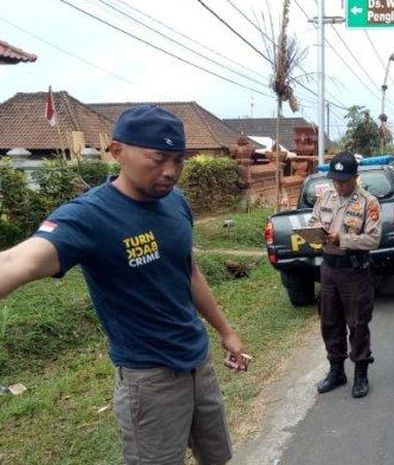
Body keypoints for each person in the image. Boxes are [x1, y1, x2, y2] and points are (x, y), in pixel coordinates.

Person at [0, 105, 248, 465]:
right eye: (159, 158)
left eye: (178, 160)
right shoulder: (89, 216)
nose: (171, 171)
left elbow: (189, 272)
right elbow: (17, 260)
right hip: (149, 381)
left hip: (198, 362)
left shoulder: (175, 202)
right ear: (117, 151)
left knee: (217, 458)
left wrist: (226, 331)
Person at [308, 152, 382, 398]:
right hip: (329, 269)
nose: (339, 186)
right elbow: (313, 221)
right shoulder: (326, 197)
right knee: (329, 322)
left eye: (344, 181)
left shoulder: (368, 202)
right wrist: (314, 233)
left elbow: (373, 238)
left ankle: (361, 372)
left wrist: (344, 239)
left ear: (355, 178)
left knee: (358, 324)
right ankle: (336, 371)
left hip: (354, 271)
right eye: (336, 181)